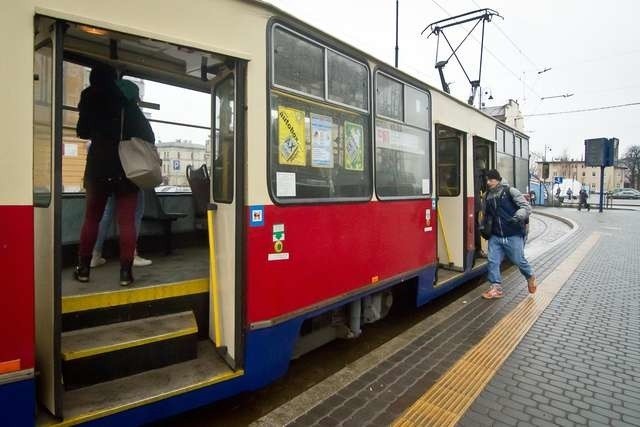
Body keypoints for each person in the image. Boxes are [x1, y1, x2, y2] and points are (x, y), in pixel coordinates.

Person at [74, 68, 153, 286]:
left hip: (98, 166)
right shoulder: (125, 101)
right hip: (125, 169)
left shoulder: (89, 96)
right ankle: (126, 273)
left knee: (91, 218)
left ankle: (83, 268)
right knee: (127, 222)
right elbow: (148, 135)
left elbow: (81, 131)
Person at [91, 80, 153, 268]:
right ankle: (131, 254)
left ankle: (94, 254)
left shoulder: (104, 112)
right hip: (128, 171)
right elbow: (149, 137)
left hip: (105, 172)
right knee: (134, 213)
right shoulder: (133, 113)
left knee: (107, 213)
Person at [481, 169, 537, 299]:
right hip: (495, 235)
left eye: (491, 180)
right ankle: (496, 288)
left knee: (518, 260)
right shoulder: (486, 196)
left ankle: (530, 276)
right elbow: (486, 215)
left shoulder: (510, 191)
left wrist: (518, 216)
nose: (489, 182)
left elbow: (527, 208)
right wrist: (483, 227)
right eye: (487, 180)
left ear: (498, 180)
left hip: (513, 233)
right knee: (493, 261)